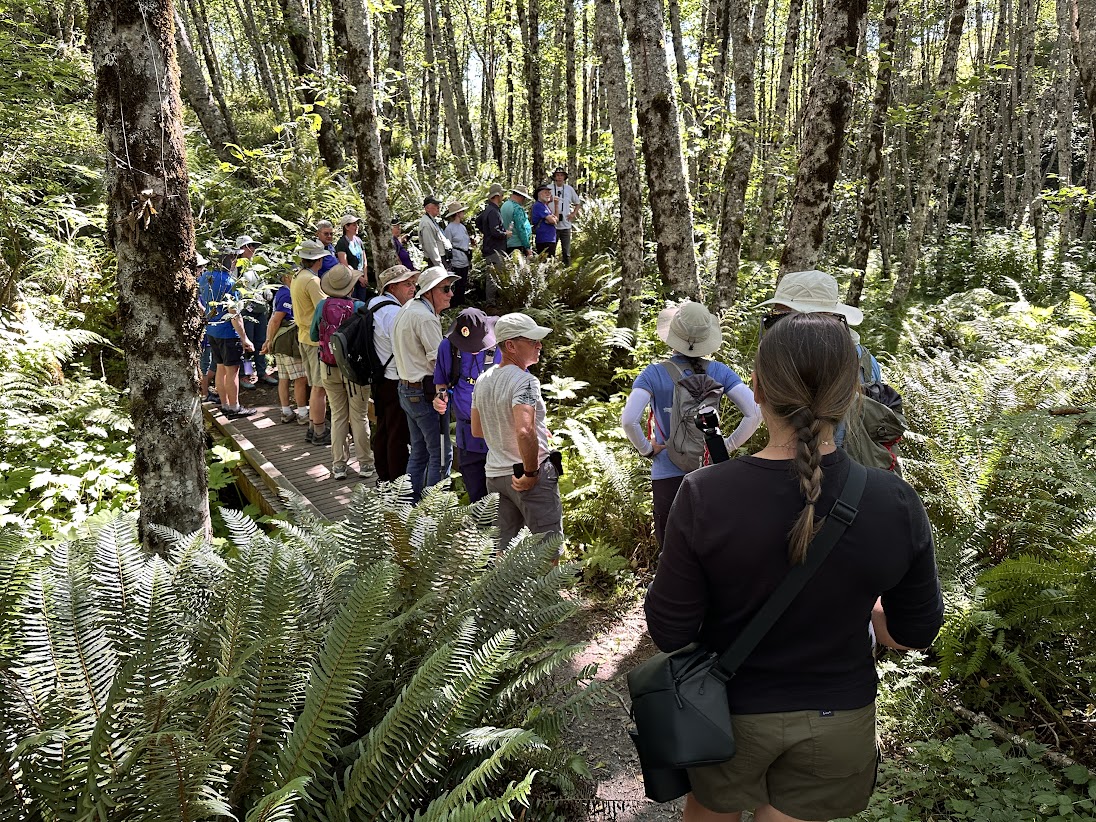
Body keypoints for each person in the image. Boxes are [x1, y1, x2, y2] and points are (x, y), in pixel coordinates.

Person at [644, 312, 944, 822]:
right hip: (838, 721)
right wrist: (874, 615)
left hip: (725, 717)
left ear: (756, 388)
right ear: (853, 394)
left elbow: (671, 630)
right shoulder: (893, 501)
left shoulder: (704, 494)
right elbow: (913, 632)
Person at [621, 301, 762, 546]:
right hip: (710, 471)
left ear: (672, 336)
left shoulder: (653, 374)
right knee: (710, 546)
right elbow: (754, 413)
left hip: (667, 473)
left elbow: (629, 420)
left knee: (671, 549)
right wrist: (725, 446)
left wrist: (646, 449)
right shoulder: (720, 371)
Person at [755, 270, 881, 450]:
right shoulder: (866, 360)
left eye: (779, 318)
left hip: (789, 466)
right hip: (852, 468)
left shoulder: (782, 358)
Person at [471, 312, 562, 551]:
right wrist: (531, 473)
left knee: (503, 548)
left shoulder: (483, 380)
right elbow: (524, 431)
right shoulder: (525, 381)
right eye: (532, 341)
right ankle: (547, 590)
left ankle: (505, 589)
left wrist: (538, 430)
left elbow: (478, 429)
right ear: (510, 345)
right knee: (547, 548)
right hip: (526, 476)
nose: (539, 345)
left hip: (495, 475)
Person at [392, 265, 458, 502]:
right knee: (441, 454)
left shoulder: (408, 308)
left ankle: (407, 507)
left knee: (419, 452)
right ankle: (433, 513)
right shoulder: (425, 318)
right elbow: (439, 363)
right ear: (429, 291)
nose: (451, 294)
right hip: (425, 393)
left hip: (407, 389)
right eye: (446, 289)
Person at [310, 264, 377, 482]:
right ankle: (366, 464)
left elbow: (313, 335)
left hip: (328, 368)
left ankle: (339, 466)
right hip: (355, 370)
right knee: (359, 416)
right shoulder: (359, 307)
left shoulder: (322, 306)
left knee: (338, 416)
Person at [433, 308, 500, 503]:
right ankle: (480, 532)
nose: (472, 348)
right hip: (467, 435)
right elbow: (442, 383)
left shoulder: (504, 345)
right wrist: (440, 397)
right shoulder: (448, 347)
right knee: (477, 496)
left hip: (498, 434)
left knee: (501, 499)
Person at [369, 264, 418, 482]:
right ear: (392, 287)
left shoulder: (374, 304)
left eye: (413, 283)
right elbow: (405, 348)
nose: (413, 288)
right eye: (407, 284)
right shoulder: (395, 313)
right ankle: (396, 482)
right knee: (397, 434)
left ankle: (383, 476)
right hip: (394, 378)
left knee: (384, 428)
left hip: (378, 377)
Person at [199, 250, 255, 418]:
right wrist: (245, 338)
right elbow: (234, 313)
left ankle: (224, 404)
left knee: (221, 369)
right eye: (234, 259)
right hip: (228, 333)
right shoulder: (230, 282)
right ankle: (234, 407)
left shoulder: (205, 277)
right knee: (232, 371)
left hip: (212, 330)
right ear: (229, 261)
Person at [290, 239, 331, 445]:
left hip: (303, 336)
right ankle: (319, 430)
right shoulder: (312, 281)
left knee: (314, 383)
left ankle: (312, 427)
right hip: (314, 340)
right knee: (318, 386)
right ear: (318, 260)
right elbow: (323, 308)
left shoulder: (298, 276)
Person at [260, 266, 309, 424]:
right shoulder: (287, 294)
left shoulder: (281, 292)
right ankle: (302, 413)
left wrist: (270, 340)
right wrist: (269, 341)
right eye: (294, 273)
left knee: (284, 377)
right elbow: (276, 319)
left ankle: (286, 411)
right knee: (300, 378)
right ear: (286, 276)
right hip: (288, 341)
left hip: (281, 340)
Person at [234, 235, 277, 388]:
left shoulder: (256, 265)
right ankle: (245, 374)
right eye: (248, 246)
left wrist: (268, 294)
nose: (252, 249)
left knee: (261, 342)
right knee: (247, 344)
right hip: (246, 311)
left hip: (261, 309)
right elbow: (235, 289)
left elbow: (262, 283)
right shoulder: (237, 267)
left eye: (253, 246)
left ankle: (261, 371)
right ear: (241, 249)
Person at [476, 183, 511, 303]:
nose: (503, 196)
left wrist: (486, 233)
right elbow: (495, 231)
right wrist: (505, 234)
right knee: (493, 277)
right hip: (495, 250)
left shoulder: (488, 210)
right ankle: (491, 303)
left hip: (490, 248)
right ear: (497, 196)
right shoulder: (493, 212)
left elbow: (478, 222)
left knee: (494, 275)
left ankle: (493, 301)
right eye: (502, 194)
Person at [442, 201, 473, 305]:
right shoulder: (449, 228)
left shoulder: (462, 227)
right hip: (456, 261)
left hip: (465, 260)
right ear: (457, 214)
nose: (463, 213)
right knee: (457, 285)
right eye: (461, 211)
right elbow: (447, 245)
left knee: (463, 284)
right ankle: (454, 305)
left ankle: (461, 304)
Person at [549, 166, 582, 266]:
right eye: (557, 175)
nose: (559, 177)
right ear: (554, 177)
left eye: (561, 175)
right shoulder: (549, 188)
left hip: (566, 225)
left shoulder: (569, 189)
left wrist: (573, 214)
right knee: (551, 252)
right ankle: (550, 273)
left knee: (566, 252)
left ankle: (568, 273)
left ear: (564, 177)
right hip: (552, 225)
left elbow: (578, 203)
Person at [335, 214, 371, 300]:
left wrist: (365, 276)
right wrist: (359, 278)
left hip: (362, 280)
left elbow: (364, 260)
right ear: (346, 227)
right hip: (351, 281)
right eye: (354, 225)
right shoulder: (342, 243)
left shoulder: (359, 240)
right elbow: (344, 264)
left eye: (357, 224)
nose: (357, 227)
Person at [418, 196, 452, 270]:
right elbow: (430, 246)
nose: (438, 207)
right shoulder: (426, 223)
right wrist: (439, 265)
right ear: (427, 208)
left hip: (442, 259)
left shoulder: (432, 220)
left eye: (438, 205)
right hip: (436, 261)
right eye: (435, 205)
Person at [501, 186, 532, 260]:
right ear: (521, 197)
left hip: (507, 244)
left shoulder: (504, 205)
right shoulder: (517, 208)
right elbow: (521, 228)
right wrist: (527, 247)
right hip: (517, 245)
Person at [531, 184, 558, 257]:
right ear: (539, 194)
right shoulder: (538, 205)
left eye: (549, 193)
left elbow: (555, 220)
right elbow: (553, 221)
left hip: (550, 239)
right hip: (544, 240)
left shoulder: (545, 206)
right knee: (545, 263)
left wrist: (556, 205)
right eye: (546, 192)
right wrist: (551, 220)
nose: (548, 194)